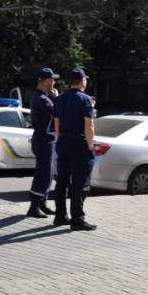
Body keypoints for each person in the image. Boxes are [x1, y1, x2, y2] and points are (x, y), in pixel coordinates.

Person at [52, 68, 97, 231]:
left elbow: (56, 123)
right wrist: (90, 146)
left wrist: (61, 137)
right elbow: (89, 125)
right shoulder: (86, 100)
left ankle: (60, 216)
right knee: (80, 182)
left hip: (63, 142)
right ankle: (77, 218)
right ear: (83, 81)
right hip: (79, 144)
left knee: (62, 181)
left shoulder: (60, 99)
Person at [27, 68, 59, 218]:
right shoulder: (41, 99)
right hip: (43, 139)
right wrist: (57, 98)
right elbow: (58, 112)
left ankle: (42, 203)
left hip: (46, 139)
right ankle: (33, 207)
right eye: (53, 79)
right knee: (43, 174)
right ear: (46, 81)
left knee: (49, 173)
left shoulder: (43, 96)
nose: (54, 82)